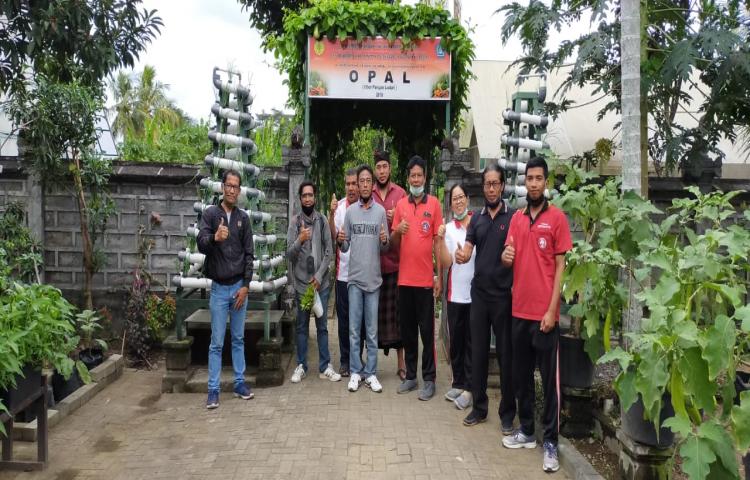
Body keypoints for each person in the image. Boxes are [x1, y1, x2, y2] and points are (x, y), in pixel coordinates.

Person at [501, 156, 572, 474]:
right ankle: (528, 431)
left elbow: (560, 269)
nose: (533, 183)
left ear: (546, 182)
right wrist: (505, 257)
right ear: (524, 181)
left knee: (549, 382)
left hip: (544, 316)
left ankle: (551, 442)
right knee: (522, 378)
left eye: (538, 178)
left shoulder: (557, 219)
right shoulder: (517, 219)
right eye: (529, 178)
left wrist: (552, 310)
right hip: (519, 311)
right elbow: (508, 258)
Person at [455, 163, 516, 427]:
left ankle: (507, 414)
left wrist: (510, 257)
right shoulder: (476, 220)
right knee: (478, 354)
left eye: (495, 184)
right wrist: (462, 254)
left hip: (503, 296)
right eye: (487, 184)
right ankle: (479, 409)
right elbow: (468, 248)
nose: (491, 189)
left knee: (505, 355)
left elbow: (517, 250)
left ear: (502, 186)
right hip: (479, 296)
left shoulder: (513, 218)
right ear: (483, 187)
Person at [197, 169, 255, 409]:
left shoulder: (243, 219)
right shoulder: (211, 214)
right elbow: (201, 244)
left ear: (239, 191)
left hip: (238, 288)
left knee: (238, 338)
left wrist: (246, 286)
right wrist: (215, 238)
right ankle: (213, 390)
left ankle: (239, 383)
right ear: (222, 188)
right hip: (219, 290)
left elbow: (249, 254)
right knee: (217, 342)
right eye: (228, 185)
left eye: (235, 186)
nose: (232, 190)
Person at [391, 155, 443, 401]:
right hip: (405, 281)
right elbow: (393, 244)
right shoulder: (401, 205)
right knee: (408, 332)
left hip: (424, 282)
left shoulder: (434, 204)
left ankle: (429, 379)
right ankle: (411, 376)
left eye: (419, 175)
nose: (415, 179)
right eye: (412, 175)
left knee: (427, 332)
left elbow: (437, 243)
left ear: (425, 177)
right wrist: (398, 231)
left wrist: (438, 276)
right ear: (408, 178)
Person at [338, 164, 390, 393]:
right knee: (353, 329)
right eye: (362, 181)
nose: (366, 184)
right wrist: (340, 239)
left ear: (372, 184)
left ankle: (371, 373)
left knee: (372, 331)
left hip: (374, 281)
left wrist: (385, 239)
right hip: (354, 281)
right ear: (358, 185)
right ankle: (355, 372)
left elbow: (385, 248)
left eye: (369, 181)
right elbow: (345, 246)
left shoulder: (380, 212)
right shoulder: (350, 213)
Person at [286, 181, 341, 384]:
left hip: (321, 284)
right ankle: (301, 365)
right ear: (300, 198)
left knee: (322, 326)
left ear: (315, 197)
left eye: (311, 195)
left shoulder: (322, 220)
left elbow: (329, 251)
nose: (308, 199)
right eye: (304, 195)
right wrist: (300, 239)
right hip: (302, 285)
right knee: (301, 326)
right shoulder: (295, 222)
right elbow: (289, 254)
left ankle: (325, 366)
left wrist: (318, 276)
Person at [436, 184, 475, 410]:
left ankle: (470, 387)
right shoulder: (449, 229)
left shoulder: (478, 224)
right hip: (455, 294)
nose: (458, 202)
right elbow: (445, 262)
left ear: (467, 199)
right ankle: (458, 382)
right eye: (454, 199)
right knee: (457, 342)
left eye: (461, 197)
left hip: (476, 295)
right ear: (450, 205)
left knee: (472, 342)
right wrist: (440, 240)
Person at [372, 150, 408, 380]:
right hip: (374, 266)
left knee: (398, 317)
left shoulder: (401, 194)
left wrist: (397, 217)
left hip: (396, 264)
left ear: (390, 168)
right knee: (372, 317)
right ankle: (370, 365)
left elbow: (409, 224)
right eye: (378, 167)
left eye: (385, 166)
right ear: (375, 170)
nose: (382, 171)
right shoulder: (370, 194)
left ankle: (401, 364)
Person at [328, 168, 364, 377]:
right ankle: (344, 360)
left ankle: (357, 359)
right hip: (343, 274)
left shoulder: (366, 207)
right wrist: (331, 215)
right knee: (344, 320)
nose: (351, 188)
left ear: (360, 185)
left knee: (360, 320)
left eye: (354, 183)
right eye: (348, 184)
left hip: (362, 274)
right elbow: (333, 236)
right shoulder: (340, 208)